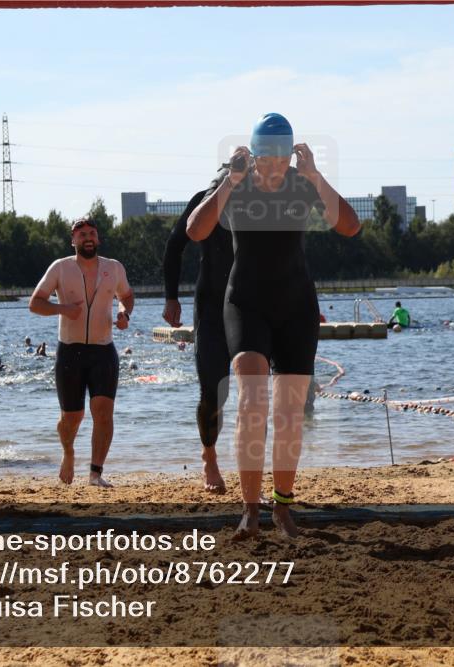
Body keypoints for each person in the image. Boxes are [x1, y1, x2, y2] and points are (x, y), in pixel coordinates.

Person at [187, 112, 360, 539]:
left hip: (296, 306)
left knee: (288, 414)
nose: (273, 166)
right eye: (266, 157)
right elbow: (195, 230)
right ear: (254, 155)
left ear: (291, 158)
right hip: (245, 303)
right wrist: (229, 179)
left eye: (282, 159)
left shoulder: (304, 185)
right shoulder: (236, 183)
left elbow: (351, 226)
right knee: (250, 401)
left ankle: (282, 506)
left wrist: (317, 176)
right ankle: (249, 509)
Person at [29, 216, 134, 487]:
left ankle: (96, 473)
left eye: (92, 233)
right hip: (70, 352)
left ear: (97, 238)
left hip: (103, 351)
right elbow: (35, 303)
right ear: (73, 240)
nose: (87, 237)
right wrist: (63, 309)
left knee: (103, 412)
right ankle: (68, 453)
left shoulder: (114, 267)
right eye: (81, 234)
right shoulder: (60, 268)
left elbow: (127, 296)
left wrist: (124, 313)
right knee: (72, 417)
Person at [162, 166, 235, 493]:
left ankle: (252, 471)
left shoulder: (257, 206)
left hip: (250, 305)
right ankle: (209, 456)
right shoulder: (202, 202)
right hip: (210, 307)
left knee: (254, 393)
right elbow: (174, 246)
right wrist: (171, 297)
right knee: (213, 392)